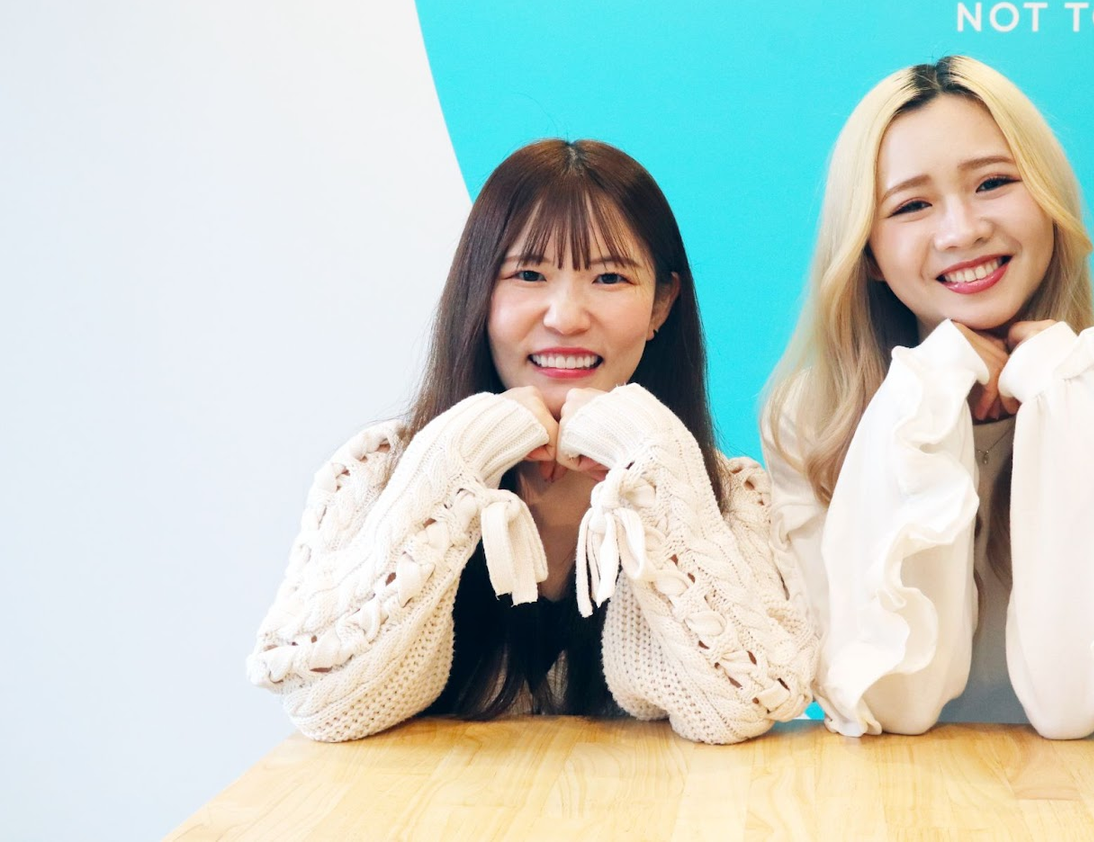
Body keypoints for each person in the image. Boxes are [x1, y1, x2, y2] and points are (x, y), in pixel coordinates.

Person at [248, 138, 816, 745]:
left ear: (661, 305)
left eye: (609, 277)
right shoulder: (377, 473)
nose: (565, 317)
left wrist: (657, 470)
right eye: (528, 274)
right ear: (477, 292)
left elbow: (748, 703)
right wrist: (453, 462)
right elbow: (323, 705)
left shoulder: (728, 498)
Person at [763, 57, 1094, 740]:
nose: (962, 231)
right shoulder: (812, 420)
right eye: (911, 205)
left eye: (992, 183)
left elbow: (1073, 702)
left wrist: (1064, 395)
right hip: (885, 792)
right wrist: (926, 394)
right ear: (867, 254)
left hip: (1086, 792)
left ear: (1048, 200)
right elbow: (896, 704)